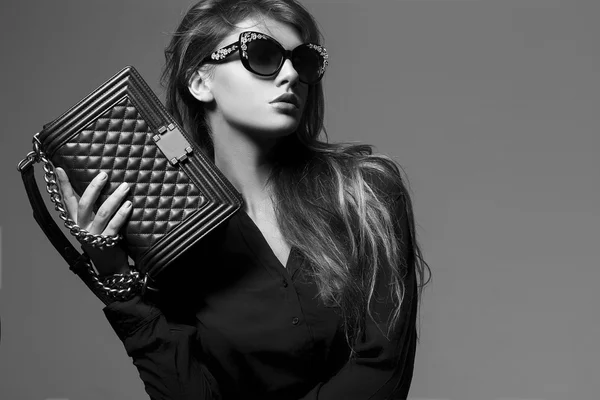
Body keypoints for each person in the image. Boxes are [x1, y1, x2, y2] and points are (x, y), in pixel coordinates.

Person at [55, 0, 430, 398]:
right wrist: (118, 281)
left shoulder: (366, 193)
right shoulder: (168, 235)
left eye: (302, 62)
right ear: (200, 81)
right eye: (262, 55)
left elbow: (383, 371)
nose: (290, 76)